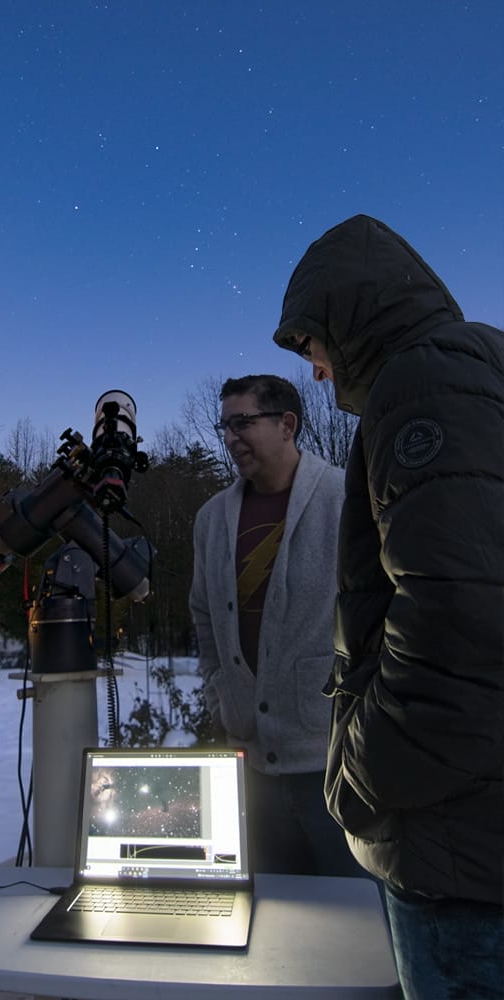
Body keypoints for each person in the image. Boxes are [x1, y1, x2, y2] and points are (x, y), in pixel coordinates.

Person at [273, 214, 504, 999]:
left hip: (458, 854)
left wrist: (359, 777)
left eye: (313, 350)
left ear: (348, 319)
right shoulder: (475, 366)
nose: (317, 374)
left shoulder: (425, 381)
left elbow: (459, 626)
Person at [189, 374, 362, 877]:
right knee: (269, 926)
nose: (230, 437)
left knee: (352, 925)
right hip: (247, 767)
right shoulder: (211, 518)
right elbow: (203, 613)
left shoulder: (345, 498)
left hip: (331, 766)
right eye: (225, 426)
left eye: (243, 422)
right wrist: (218, 690)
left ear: (287, 424)